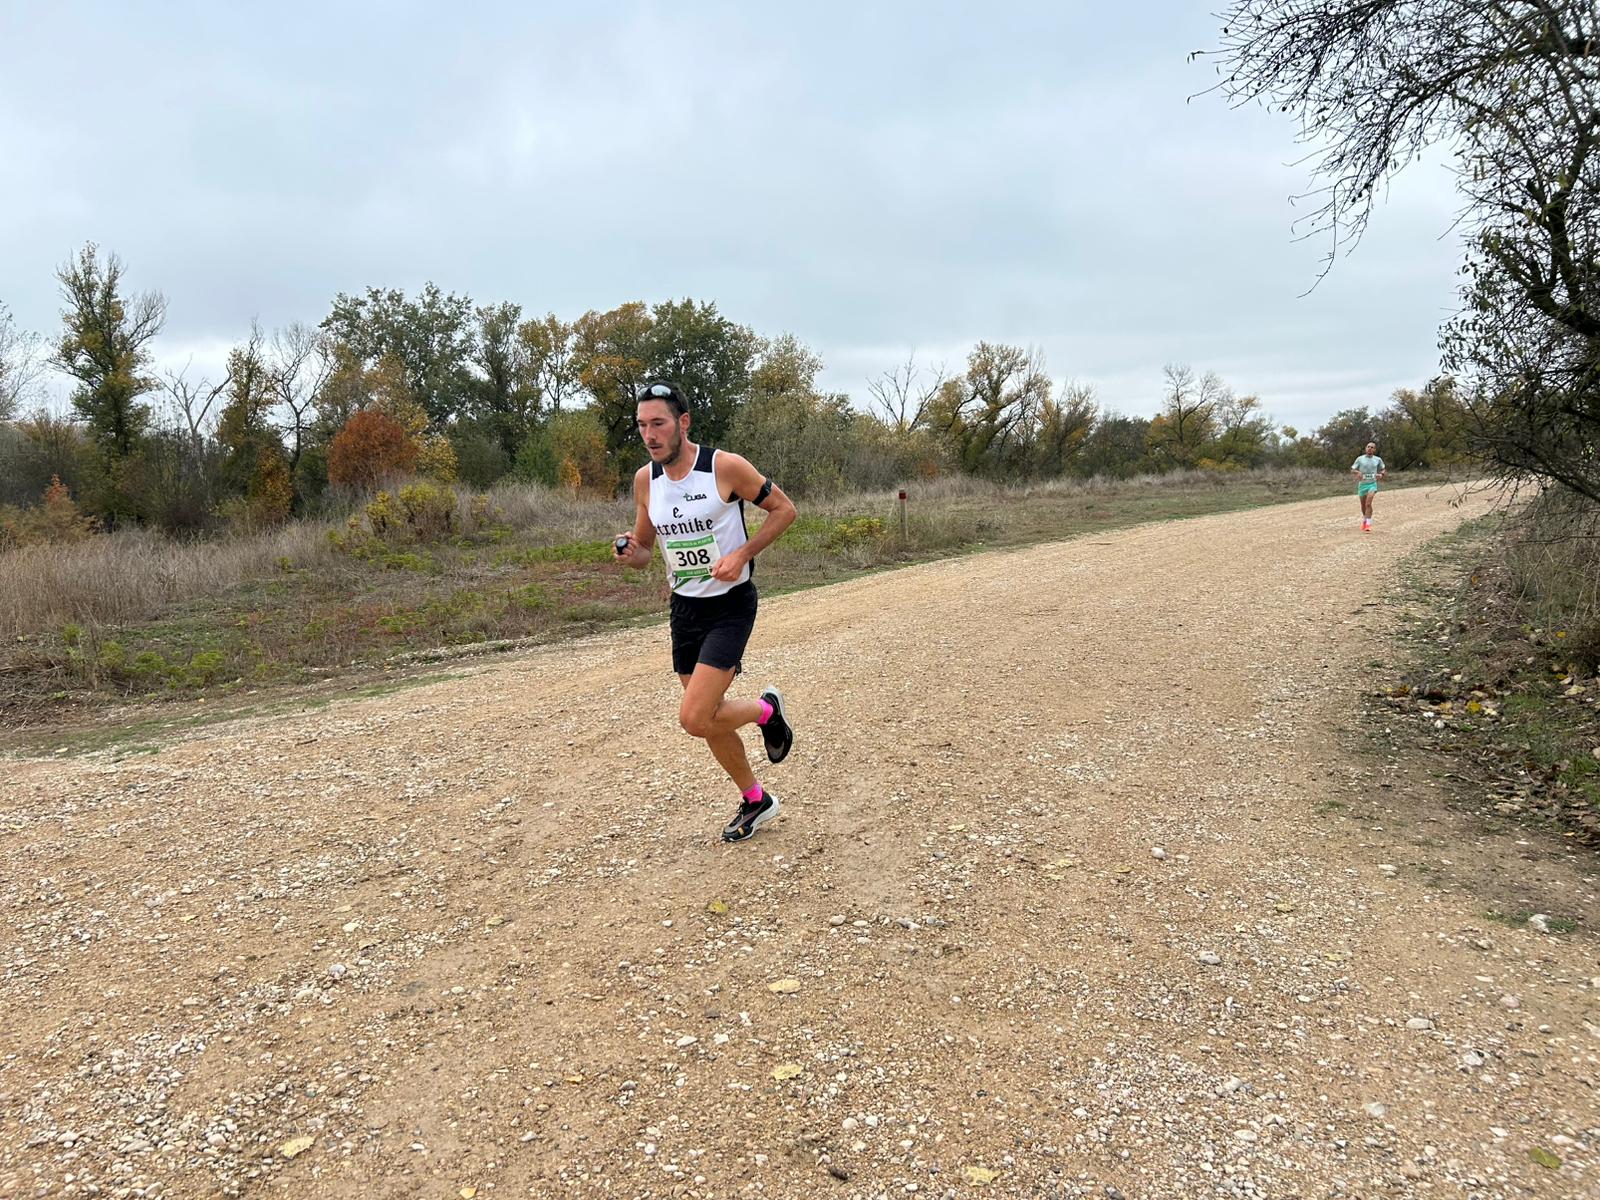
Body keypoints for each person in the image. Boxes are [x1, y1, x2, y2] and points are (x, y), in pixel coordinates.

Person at [612, 381, 798, 842]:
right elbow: (644, 551)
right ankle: (756, 799)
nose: (650, 435)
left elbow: (784, 510)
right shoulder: (645, 480)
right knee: (710, 717)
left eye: (658, 423)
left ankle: (764, 711)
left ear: (683, 423)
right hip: (685, 610)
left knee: (695, 717)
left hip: (730, 606)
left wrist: (742, 555)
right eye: (642, 425)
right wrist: (630, 551)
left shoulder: (723, 467)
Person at [1350, 441, 1387, 532]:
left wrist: (1381, 474)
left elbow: (1383, 469)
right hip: (1362, 484)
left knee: (1368, 504)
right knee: (1363, 505)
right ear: (1365, 448)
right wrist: (1358, 472)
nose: (1370, 448)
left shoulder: (1378, 459)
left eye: (1372, 447)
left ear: (1374, 450)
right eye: (1368, 447)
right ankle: (1365, 519)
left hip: (1372, 484)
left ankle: (1368, 524)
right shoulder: (1360, 459)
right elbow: (1352, 469)